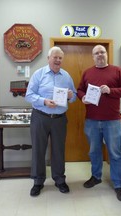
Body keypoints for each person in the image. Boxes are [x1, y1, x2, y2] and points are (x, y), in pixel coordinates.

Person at [77, 45, 121, 201]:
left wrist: (110, 91)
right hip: (92, 120)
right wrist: (82, 97)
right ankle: (96, 176)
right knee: (94, 152)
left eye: (102, 52)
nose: (99, 55)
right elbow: (80, 90)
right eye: (96, 53)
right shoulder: (87, 72)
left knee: (114, 154)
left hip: (112, 121)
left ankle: (119, 184)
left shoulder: (117, 70)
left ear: (106, 54)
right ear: (92, 57)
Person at [25, 46, 77, 197]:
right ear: (48, 58)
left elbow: (74, 96)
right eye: (55, 57)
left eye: (60, 58)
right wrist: (44, 101)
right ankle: (38, 181)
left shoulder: (66, 76)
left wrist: (70, 95)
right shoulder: (38, 74)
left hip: (59, 120)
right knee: (38, 150)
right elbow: (29, 95)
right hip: (40, 116)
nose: (58, 60)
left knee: (58, 150)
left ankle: (60, 180)